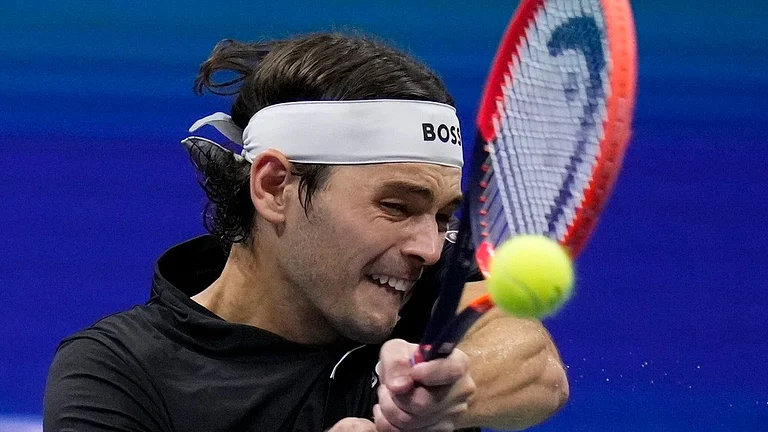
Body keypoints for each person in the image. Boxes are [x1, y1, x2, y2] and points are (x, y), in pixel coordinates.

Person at [44, 33, 568, 432]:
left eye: (442, 215)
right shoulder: (118, 371)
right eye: (395, 206)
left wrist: (433, 397)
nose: (430, 248)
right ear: (274, 187)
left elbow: (535, 361)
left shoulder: (426, 293)